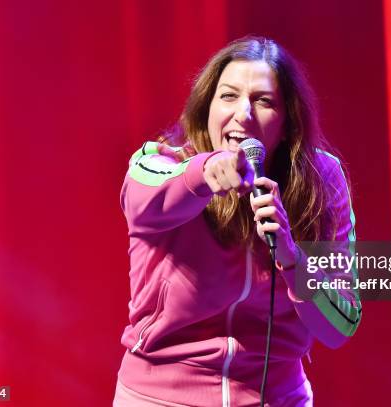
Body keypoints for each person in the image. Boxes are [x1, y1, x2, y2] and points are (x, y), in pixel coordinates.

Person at [113, 36, 361, 407]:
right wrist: (207, 175)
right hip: (159, 397)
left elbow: (342, 324)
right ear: (207, 107)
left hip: (278, 398)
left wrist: (293, 261)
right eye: (228, 96)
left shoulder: (322, 181)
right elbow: (140, 202)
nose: (243, 114)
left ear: (289, 123)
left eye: (263, 101)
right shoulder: (165, 160)